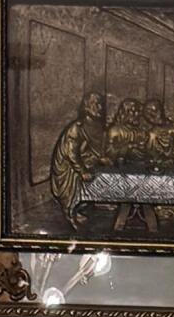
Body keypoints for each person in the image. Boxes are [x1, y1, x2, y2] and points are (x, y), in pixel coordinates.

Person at [49, 91, 108, 227]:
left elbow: (91, 149)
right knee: (78, 179)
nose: (100, 107)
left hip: (84, 162)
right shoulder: (77, 128)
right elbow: (72, 154)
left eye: (101, 104)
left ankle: (87, 205)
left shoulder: (97, 126)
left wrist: (101, 158)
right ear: (86, 107)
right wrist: (82, 171)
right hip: (68, 167)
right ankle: (70, 213)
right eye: (95, 104)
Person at [106, 98, 148, 167]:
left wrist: (142, 148)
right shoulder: (115, 130)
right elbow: (109, 152)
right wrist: (128, 148)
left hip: (139, 167)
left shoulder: (141, 131)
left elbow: (146, 152)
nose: (137, 114)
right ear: (125, 112)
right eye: (133, 111)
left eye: (138, 111)